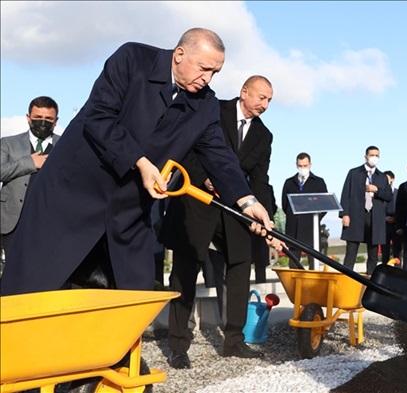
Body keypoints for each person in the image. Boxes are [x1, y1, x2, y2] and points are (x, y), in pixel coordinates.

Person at [1, 28, 279, 298]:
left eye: (215, 72)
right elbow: (98, 117)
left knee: (133, 297)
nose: (207, 78)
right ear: (180, 54)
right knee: (31, 292)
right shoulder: (132, 59)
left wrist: (247, 201)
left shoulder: (205, 105)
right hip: (70, 198)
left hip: (127, 213)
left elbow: (219, 155)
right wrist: (141, 162)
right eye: (203, 68)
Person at [160, 74, 276, 368]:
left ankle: (234, 340)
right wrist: (206, 177)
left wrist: (264, 215)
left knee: (240, 266)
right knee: (185, 271)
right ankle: (178, 345)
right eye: (261, 97)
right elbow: (187, 148)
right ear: (244, 91)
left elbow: (260, 181)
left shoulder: (264, 136)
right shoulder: (213, 111)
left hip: (233, 208)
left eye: (269, 101)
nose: (265, 104)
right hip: (196, 200)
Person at [1, 96, 61, 264]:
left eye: (48, 119)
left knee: (47, 270)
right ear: (28, 118)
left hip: (52, 222)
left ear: (56, 121)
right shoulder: (8, 143)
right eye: (38, 118)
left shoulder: (64, 145)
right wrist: (29, 163)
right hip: (14, 221)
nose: (43, 122)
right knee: (14, 271)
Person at [339, 146, 392, 274]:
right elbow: (345, 195)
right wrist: (345, 214)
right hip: (356, 215)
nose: (374, 157)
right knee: (351, 250)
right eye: (372, 155)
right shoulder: (354, 173)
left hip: (374, 217)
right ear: (366, 156)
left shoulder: (382, 177)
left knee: (373, 252)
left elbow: (389, 196)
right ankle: (347, 276)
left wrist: (376, 190)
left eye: (377, 155)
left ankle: (371, 277)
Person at [281, 152, 328, 269]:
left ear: (310, 165)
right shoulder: (289, 183)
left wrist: (313, 218)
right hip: (293, 230)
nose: (303, 168)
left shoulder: (318, 182)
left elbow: (325, 204)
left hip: (311, 229)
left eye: (305, 165)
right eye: (300, 166)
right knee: (294, 265)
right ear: (296, 165)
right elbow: (285, 204)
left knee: (314, 265)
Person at [381, 171, 402, 266]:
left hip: (396, 225)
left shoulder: (399, 193)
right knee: (384, 251)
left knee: (397, 250)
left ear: (393, 179)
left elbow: (402, 208)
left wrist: (396, 219)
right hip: (384, 226)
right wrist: (384, 218)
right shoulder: (381, 194)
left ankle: (398, 270)